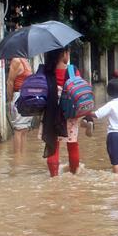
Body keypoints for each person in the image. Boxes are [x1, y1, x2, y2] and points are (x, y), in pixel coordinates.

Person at [41, 48, 88, 177]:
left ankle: (54, 177)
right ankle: (74, 174)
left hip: (51, 113)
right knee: (72, 144)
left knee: (53, 144)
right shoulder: (72, 70)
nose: (69, 55)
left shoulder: (46, 70)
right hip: (69, 113)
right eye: (68, 52)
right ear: (63, 54)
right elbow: (79, 90)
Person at [87, 78, 118, 174]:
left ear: (109, 92)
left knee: (116, 163)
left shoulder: (111, 104)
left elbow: (97, 115)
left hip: (115, 136)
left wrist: (86, 112)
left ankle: (117, 182)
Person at [6, 56, 34, 154]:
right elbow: (10, 82)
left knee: (25, 129)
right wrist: (10, 100)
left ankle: (22, 160)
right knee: (19, 129)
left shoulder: (26, 61)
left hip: (27, 97)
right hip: (19, 96)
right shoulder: (16, 61)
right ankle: (17, 159)